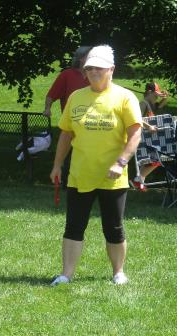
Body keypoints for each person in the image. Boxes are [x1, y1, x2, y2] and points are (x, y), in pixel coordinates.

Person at [49, 45, 142, 286]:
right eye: (90, 69)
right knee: (74, 226)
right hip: (80, 174)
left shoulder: (124, 97)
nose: (94, 73)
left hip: (113, 177)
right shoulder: (76, 97)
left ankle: (118, 272)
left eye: (99, 69)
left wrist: (121, 162)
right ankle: (66, 275)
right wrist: (57, 165)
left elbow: (135, 135)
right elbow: (66, 134)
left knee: (113, 227)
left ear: (111, 69)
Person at [44, 46, 92, 187]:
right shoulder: (67, 75)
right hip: (71, 124)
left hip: (92, 124)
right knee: (68, 154)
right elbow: (51, 95)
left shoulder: (95, 75)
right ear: (82, 59)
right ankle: (67, 183)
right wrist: (47, 108)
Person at [130, 82, 169, 190]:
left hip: (150, 139)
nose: (157, 96)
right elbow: (136, 117)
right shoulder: (143, 103)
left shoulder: (151, 105)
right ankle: (138, 180)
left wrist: (164, 97)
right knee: (156, 159)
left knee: (155, 159)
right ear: (149, 92)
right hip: (142, 138)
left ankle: (139, 180)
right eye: (156, 94)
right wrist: (149, 127)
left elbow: (161, 104)